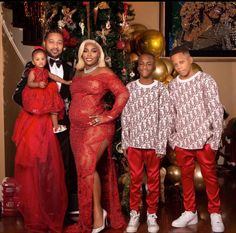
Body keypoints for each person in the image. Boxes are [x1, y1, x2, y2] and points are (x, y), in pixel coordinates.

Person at [12, 29, 78, 226]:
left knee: (63, 169)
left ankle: (61, 213)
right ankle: (39, 213)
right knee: (40, 169)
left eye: (59, 42)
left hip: (63, 126)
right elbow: (17, 95)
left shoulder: (69, 67)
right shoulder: (34, 64)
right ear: (45, 43)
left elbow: (72, 95)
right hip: (39, 127)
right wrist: (38, 107)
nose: (55, 46)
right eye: (51, 42)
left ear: (63, 46)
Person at [68, 39, 129, 233]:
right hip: (76, 130)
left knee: (88, 170)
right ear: (81, 54)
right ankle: (98, 213)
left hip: (98, 128)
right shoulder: (77, 72)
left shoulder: (105, 73)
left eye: (93, 51)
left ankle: (94, 219)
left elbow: (123, 93)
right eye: (85, 51)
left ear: (99, 54)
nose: (89, 54)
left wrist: (109, 115)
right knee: (88, 171)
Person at [168, 45, 225, 233]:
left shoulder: (205, 81)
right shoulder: (173, 85)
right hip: (182, 140)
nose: (179, 67)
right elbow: (171, 114)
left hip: (204, 139)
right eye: (175, 64)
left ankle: (215, 213)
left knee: (210, 176)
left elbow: (216, 110)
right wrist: (173, 140)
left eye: (182, 62)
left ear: (190, 59)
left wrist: (214, 139)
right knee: (186, 176)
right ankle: (189, 210)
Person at [121, 53, 170, 233]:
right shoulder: (130, 87)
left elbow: (165, 117)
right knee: (135, 180)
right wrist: (125, 141)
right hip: (134, 142)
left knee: (153, 181)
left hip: (153, 144)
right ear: (138, 66)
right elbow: (125, 116)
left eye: (149, 64)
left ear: (154, 66)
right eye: (142, 63)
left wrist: (161, 145)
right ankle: (134, 213)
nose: (145, 66)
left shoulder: (160, 89)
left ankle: (151, 214)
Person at [23, 47, 71, 133]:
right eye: (37, 59)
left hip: (47, 92)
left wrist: (66, 82)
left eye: (43, 59)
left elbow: (55, 77)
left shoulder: (46, 71)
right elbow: (29, 83)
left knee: (54, 109)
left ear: (46, 60)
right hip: (36, 94)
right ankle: (42, 127)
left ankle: (55, 127)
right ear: (33, 62)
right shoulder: (33, 72)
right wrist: (38, 84)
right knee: (40, 114)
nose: (41, 61)